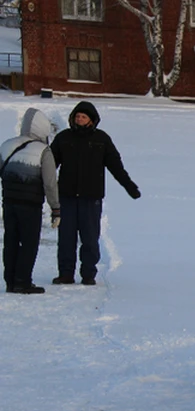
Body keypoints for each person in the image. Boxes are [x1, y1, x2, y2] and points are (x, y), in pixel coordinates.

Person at [50, 101, 140, 286]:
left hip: (91, 198)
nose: (79, 119)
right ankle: (66, 273)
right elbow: (49, 165)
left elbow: (115, 166)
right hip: (66, 196)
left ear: (91, 120)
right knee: (66, 237)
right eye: (77, 116)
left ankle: (88, 274)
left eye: (83, 117)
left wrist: (129, 186)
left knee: (90, 237)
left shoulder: (101, 139)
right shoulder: (63, 138)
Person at [1, 108, 60, 294]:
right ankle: (22, 281)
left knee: (11, 240)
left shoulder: (7, 145)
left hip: (9, 202)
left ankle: (10, 280)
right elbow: (50, 184)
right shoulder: (43, 151)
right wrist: (55, 209)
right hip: (30, 205)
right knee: (29, 242)